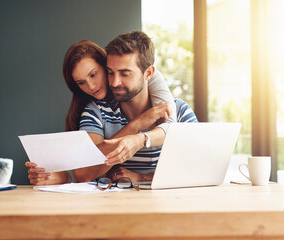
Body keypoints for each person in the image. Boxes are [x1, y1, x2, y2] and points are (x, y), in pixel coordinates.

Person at [26, 35, 176, 185]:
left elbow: (171, 124)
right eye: (81, 82)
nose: (91, 87)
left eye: (93, 75)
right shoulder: (94, 111)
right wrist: (136, 125)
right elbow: (84, 173)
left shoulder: (170, 100)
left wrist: (142, 173)